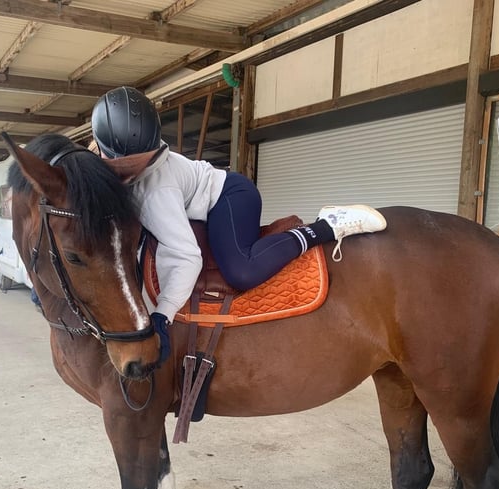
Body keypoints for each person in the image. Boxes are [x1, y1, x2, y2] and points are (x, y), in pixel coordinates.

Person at [91, 86, 386, 363]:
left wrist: (162, 315)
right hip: (202, 201)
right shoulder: (96, 159)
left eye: (137, 164)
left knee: (242, 270)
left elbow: (187, 257)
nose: (131, 172)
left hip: (230, 195)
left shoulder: (156, 192)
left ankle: (325, 227)